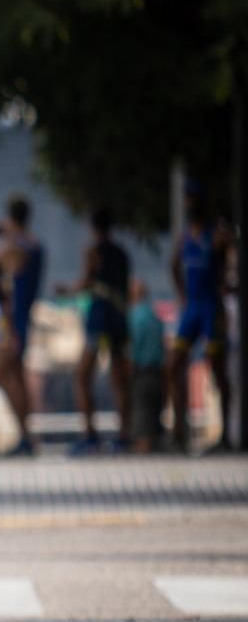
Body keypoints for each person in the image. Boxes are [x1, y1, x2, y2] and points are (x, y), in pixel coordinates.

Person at [57, 207, 132, 455]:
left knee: (82, 375)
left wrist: (67, 290)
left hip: (100, 319)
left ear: (92, 227)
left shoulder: (93, 252)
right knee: (118, 377)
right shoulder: (122, 253)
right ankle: (124, 435)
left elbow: (86, 282)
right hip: (119, 318)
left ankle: (90, 435)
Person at [168, 195, 232, 454]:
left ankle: (226, 435)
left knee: (216, 368)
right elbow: (173, 264)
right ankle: (179, 433)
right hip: (192, 308)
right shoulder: (186, 238)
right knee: (174, 364)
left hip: (210, 308)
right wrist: (182, 293)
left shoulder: (215, 236)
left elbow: (229, 259)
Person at [0, 194, 44, 455]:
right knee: (17, 375)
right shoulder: (34, 244)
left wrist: (4, 237)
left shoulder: (16, 247)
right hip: (22, 317)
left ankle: (25, 435)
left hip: (14, 321)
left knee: (2, 374)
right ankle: (26, 436)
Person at [128, 278, 167, 454]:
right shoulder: (154, 317)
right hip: (159, 374)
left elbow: (133, 349)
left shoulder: (134, 317)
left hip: (142, 373)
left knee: (143, 419)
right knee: (155, 416)